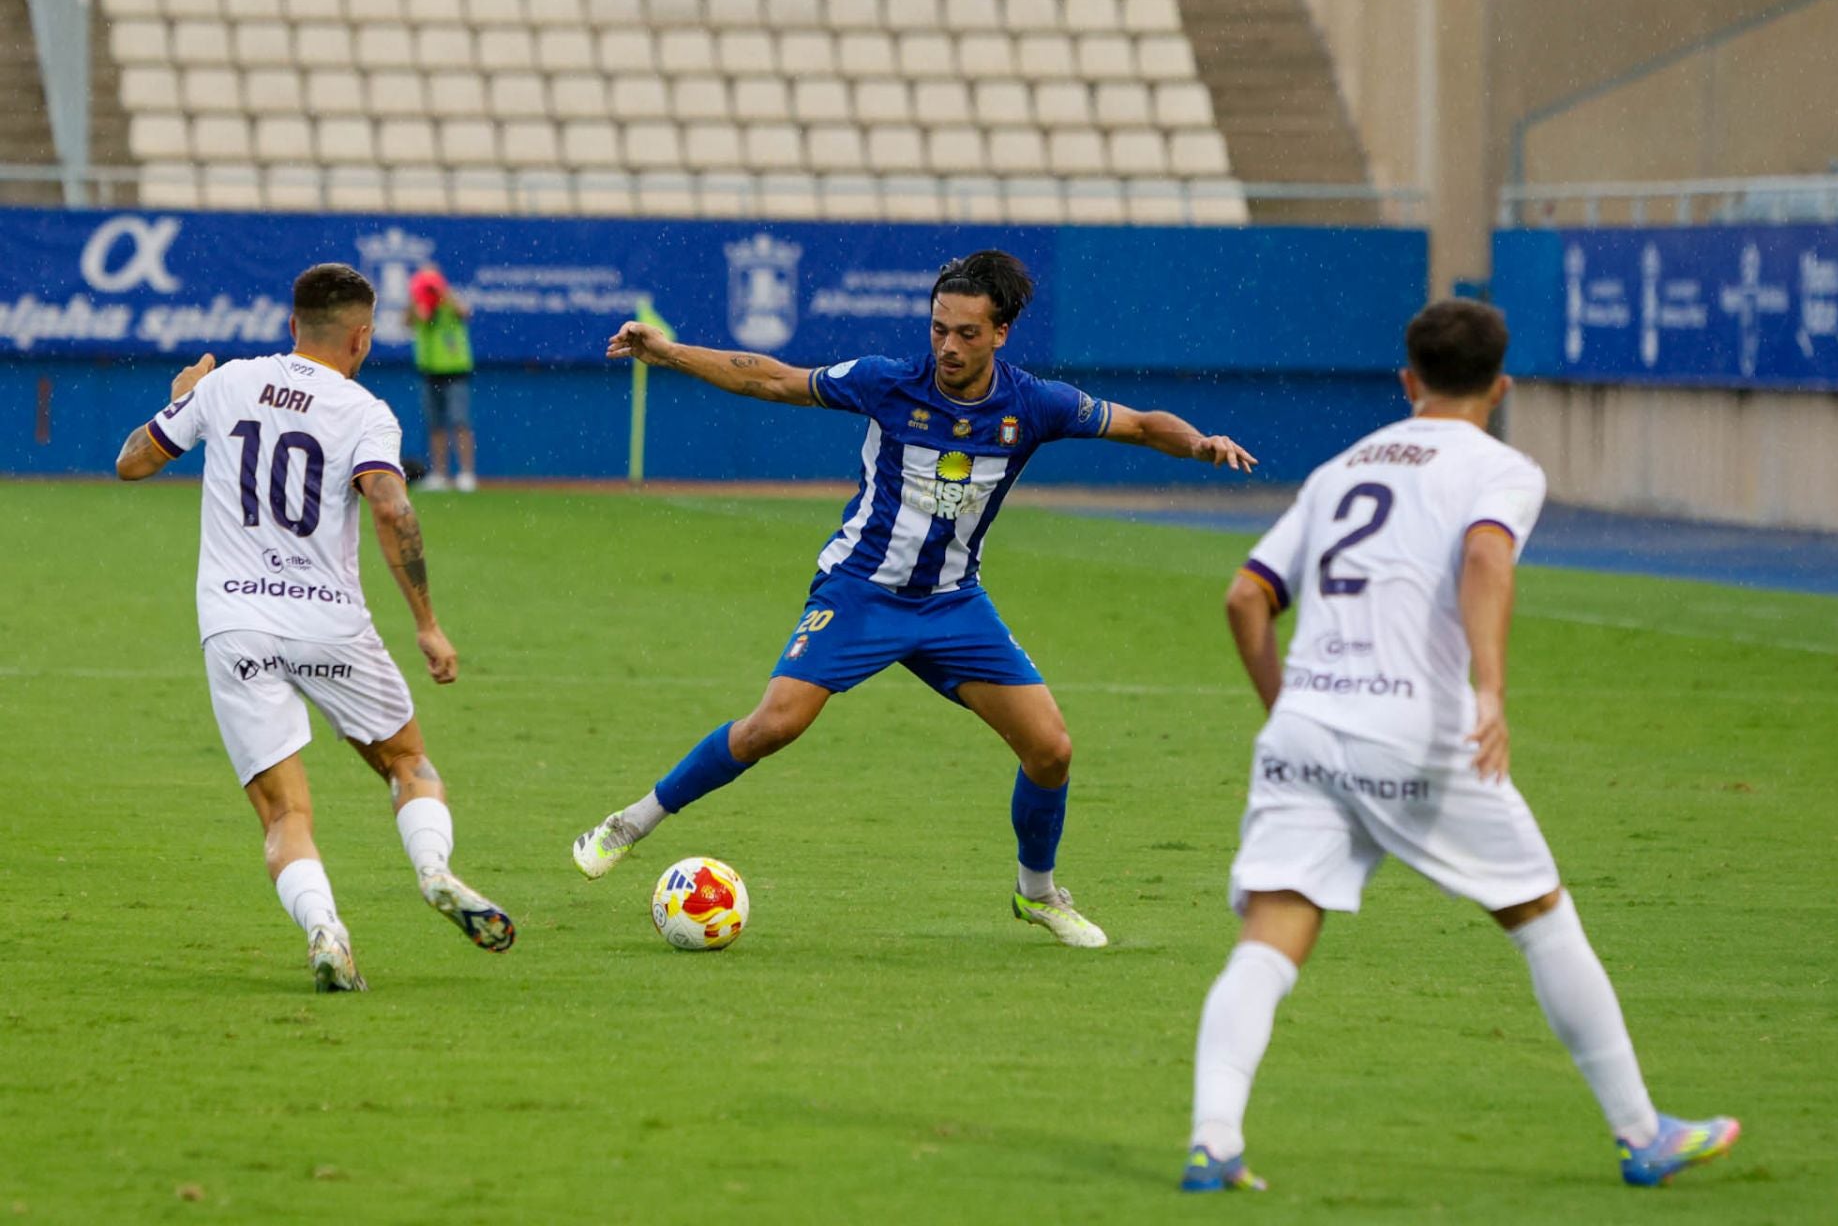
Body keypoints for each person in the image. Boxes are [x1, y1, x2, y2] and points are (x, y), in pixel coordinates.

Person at [1181, 299, 1738, 1192]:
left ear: (1408, 381)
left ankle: (1214, 1138)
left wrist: (1288, 710)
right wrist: (1491, 689)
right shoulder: (1500, 467)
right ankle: (1643, 1135)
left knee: (1272, 935)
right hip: (1416, 731)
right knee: (1540, 917)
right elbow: (1486, 557)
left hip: (1309, 731)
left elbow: (1246, 597)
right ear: (1502, 386)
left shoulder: (1339, 468)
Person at [570, 250, 1257, 947]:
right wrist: (671, 351)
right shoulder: (886, 383)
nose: (947, 346)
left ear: (1000, 334)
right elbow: (776, 380)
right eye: (938, 329)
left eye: (964, 333)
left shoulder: (1035, 405)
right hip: (861, 591)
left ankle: (1038, 893)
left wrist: (1200, 445)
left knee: (1050, 750)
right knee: (772, 726)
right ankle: (631, 822)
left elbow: (1139, 424)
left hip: (954, 605)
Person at [114, 262, 514, 992]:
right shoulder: (364, 412)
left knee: (284, 813)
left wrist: (180, 402)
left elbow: (132, 463)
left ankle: (325, 928)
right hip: (330, 625)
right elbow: (393, 509)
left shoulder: (226, 382)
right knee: (407, 763)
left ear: (291, 324)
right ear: (361, 338)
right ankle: (433, 871)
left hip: (235, 624)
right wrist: (427, 624)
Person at [407, 265, 478, 493]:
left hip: (455, 371)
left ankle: (466, 474)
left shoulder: (449, 307)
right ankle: (440, 474)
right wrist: (417, 296)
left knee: (460, 422)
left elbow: (465, 311)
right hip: (430, 372)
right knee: (435, 426)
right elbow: (406, 321)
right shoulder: (420, 309)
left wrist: (442, 292)